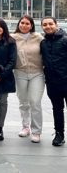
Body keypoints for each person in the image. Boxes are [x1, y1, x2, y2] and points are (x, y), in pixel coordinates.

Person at [11, 15, 44, 143]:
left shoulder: (38, 37)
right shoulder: (13, 38)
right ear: (18, 24)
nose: (24, 25)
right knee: (23, 101)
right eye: (22, 23)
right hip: (20, 73)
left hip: (37, 73)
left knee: (35, 102)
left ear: (31, 25)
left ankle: (36, 131)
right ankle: (26, 127)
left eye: (27, 23)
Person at [40, 17, 67, 146]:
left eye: (51, 24)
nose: (48, 26)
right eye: (45, 25)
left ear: (56, 25)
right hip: (52, 82)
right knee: (57, 109)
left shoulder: (65, 40)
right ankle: (59, 134)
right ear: (42, 27)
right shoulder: (43, 43)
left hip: (66, 81)